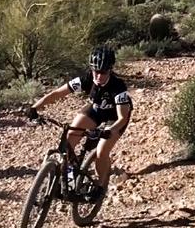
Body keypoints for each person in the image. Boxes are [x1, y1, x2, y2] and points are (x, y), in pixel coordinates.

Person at [27, 45, 132, 202]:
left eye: (103, 72)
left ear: (110, 69)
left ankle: (100, 186)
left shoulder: (118, 86)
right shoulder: (87, 78)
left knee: (101, 151)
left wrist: (108, 130)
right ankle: (69, 174)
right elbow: (58, 93)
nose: (98, 76)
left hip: (114, 118)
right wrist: (35, 107)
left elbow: (122, 118)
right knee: (70, 135)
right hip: (96, 110)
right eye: (96, 71)